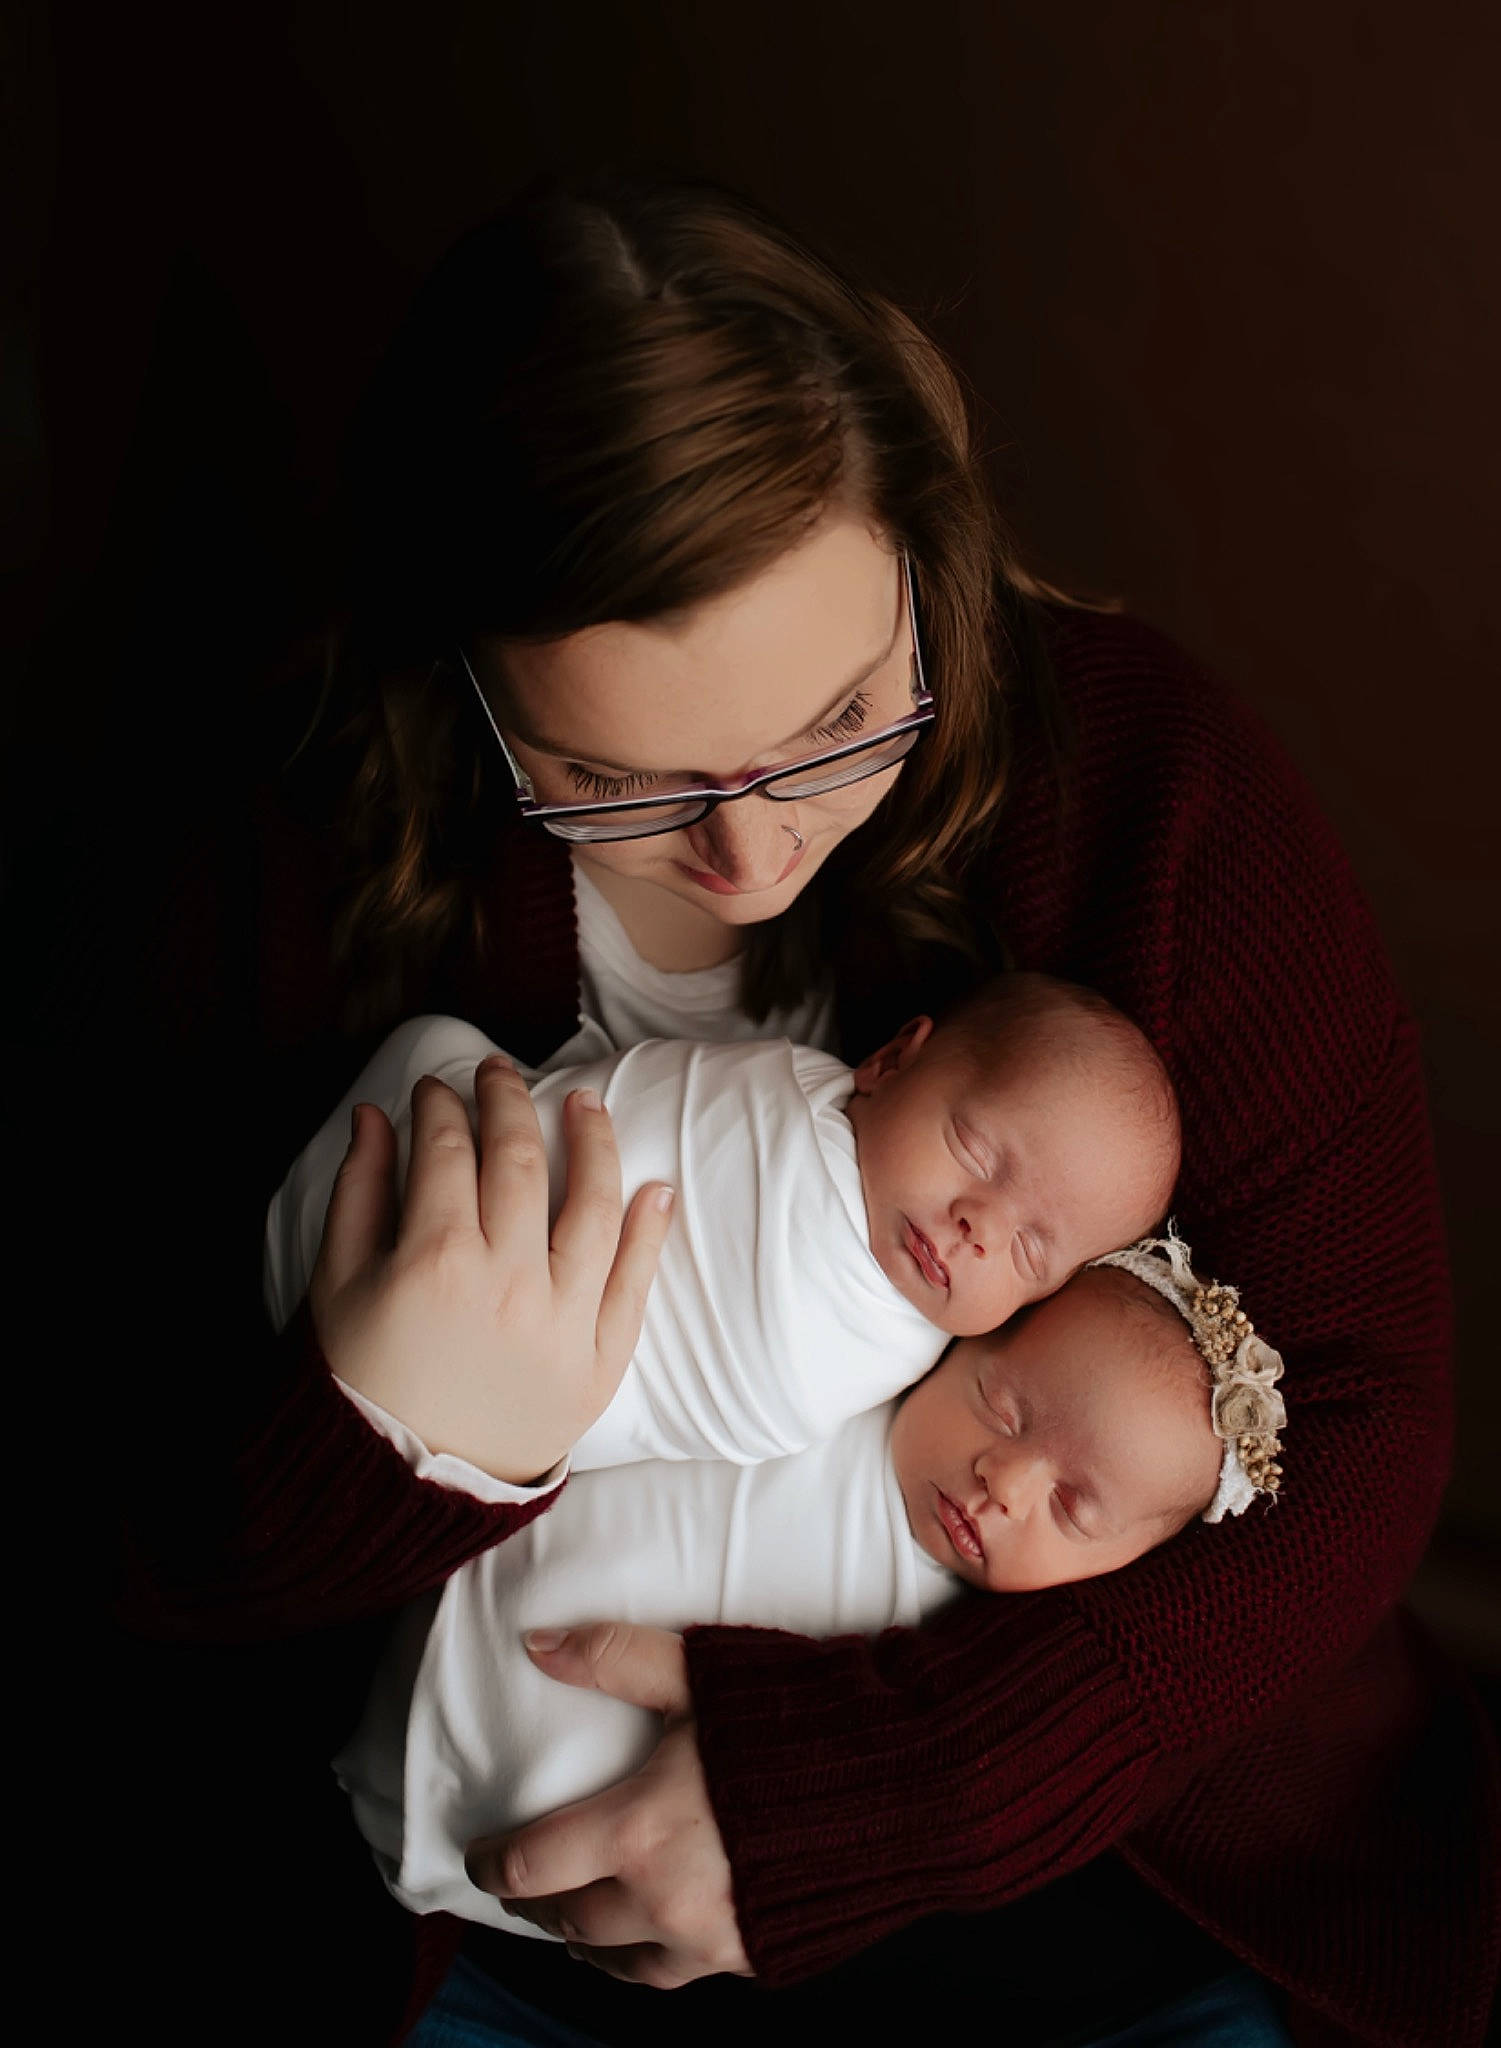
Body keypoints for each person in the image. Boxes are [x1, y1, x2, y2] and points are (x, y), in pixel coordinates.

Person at [107, 167, 1498, 2048]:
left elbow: (1368, 1413)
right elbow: (145, 1542)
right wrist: (393, 1435)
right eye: (614, 774)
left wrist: (901, 1791)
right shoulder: (295, 864)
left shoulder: (1147, 788)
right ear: (469, 678)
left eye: (844, 718)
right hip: (505, 1900)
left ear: (931, 558)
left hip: (1101, 1864)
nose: (754, 850)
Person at [327, 1245, 1282, 1941]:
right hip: (406, 1631)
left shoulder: (952, 1665)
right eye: (1005, 1407)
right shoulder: (844, 1374)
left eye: (1073, 1508)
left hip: (532, 1869)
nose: (1004, 1481)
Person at [261, 974, 1181, 1477]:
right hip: (411, 1218)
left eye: (1028, 1251)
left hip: (449, 1422)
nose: (979, 1228)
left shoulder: (906, 1361)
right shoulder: (789, 1097)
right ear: (892, 1059)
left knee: (433, 1048)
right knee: (437, 1054)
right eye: (976, 1152)